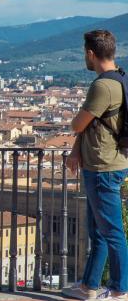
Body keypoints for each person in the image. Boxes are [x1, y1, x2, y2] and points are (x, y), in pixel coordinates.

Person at [63, 30, 128, 300]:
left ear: (91, 53)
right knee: (98, 231)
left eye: (85, 53)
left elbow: (78, 124)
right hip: (109, 162)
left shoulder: (102, 86)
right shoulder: (121, 78)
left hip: (102, 167)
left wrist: (75, 127)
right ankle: (88, 287)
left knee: (112, 232)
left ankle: (120, 290)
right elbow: (93, 126)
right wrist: (76, 151)